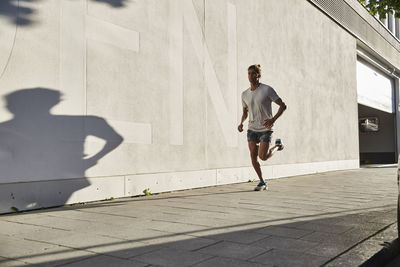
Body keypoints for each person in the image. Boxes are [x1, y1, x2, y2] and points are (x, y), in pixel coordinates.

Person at [238, 64, 287, 191]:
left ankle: (277, 146)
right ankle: (262, 181)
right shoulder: (244, 94)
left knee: (263, 157)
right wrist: (241, 123)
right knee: (253, 157)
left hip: (265, 128)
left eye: (253, 73)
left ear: (258, 75)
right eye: (248, 73)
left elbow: (283, 106)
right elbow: (245, 112)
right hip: (251, 129)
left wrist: (273, 119)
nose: (250, 76)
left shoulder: (267, 90)